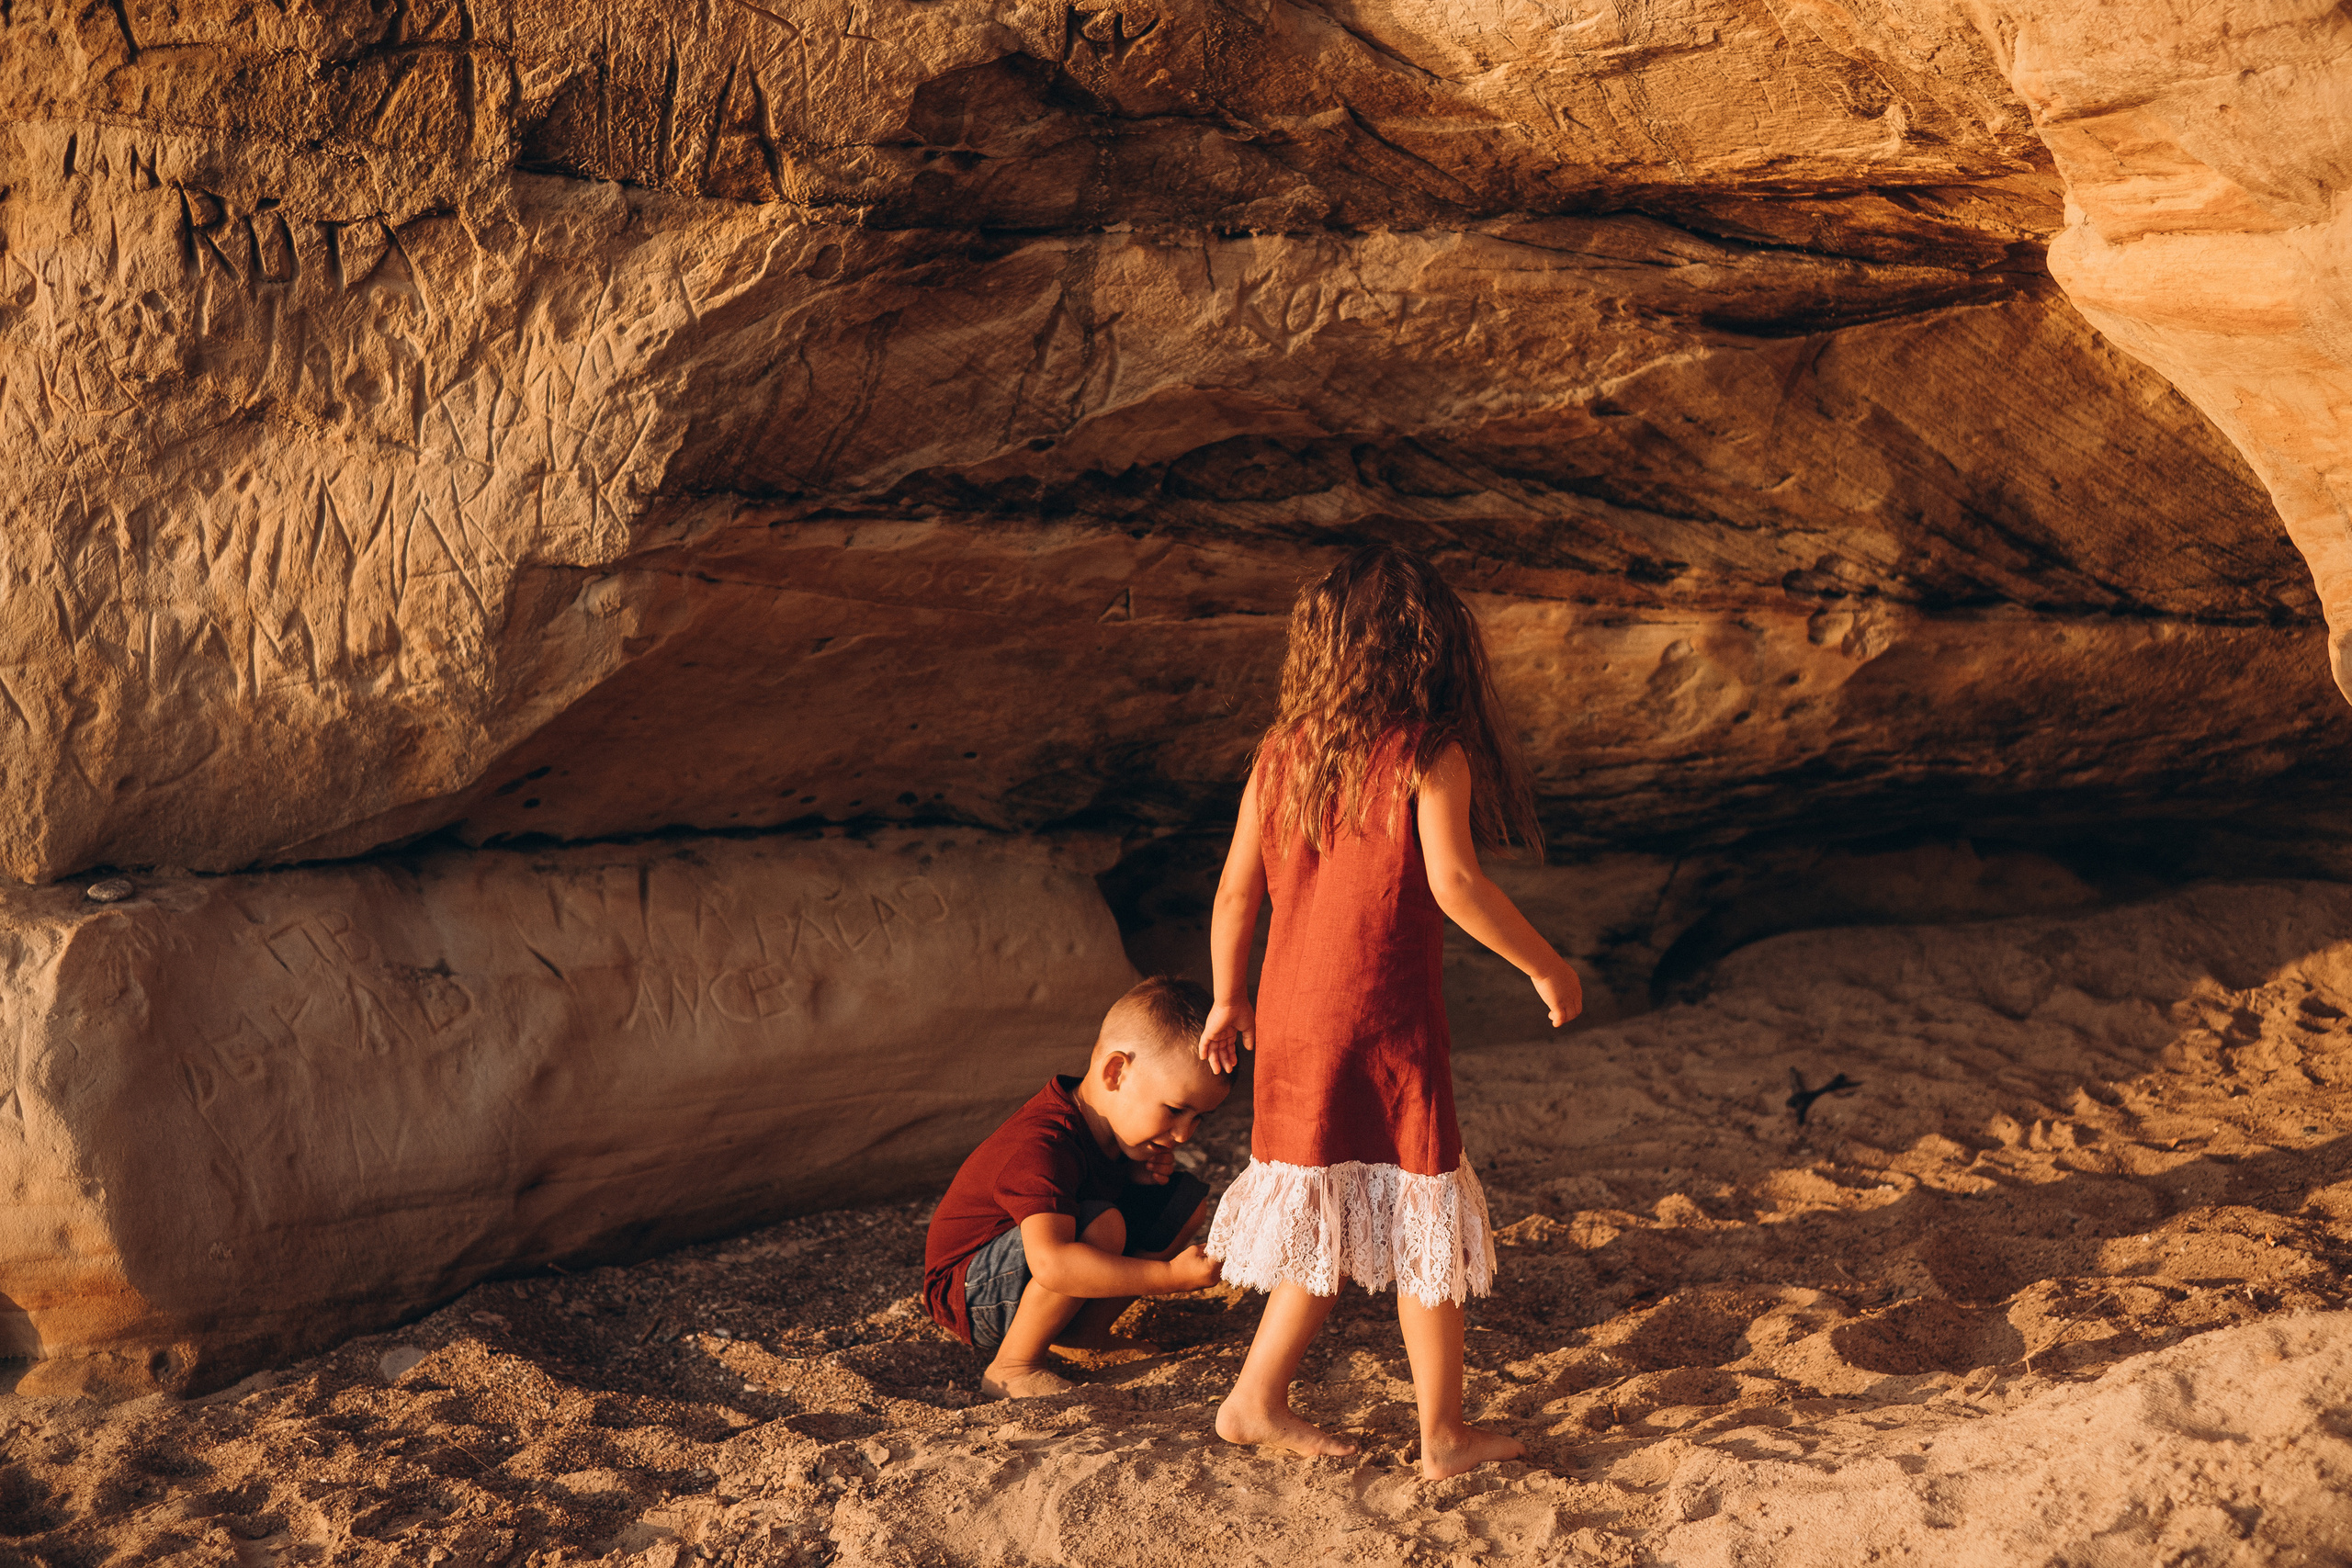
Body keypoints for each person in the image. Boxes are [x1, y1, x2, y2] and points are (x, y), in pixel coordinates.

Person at [1197, 543, 1582, 1480]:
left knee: (1324, 1202)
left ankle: (1255, 1396)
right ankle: (1442, 1433)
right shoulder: (1425, 754)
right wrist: (1545, 965)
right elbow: (1453, 882)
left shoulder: (1281, 755)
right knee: (1424, 1217)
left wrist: (1226, 998)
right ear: (1427, 649)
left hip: (1292, 1018)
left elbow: (1236, 895)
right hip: (1380, 1022)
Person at [923, 976, 1230, 1399]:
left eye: (1198, 1118)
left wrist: (1136, 1177)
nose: (1184, 1134)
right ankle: (1014, 1365)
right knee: (1103, 1224)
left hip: (1027, 1277)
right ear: (1116, 1072)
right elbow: (1051, 1263)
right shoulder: (1042, 1143)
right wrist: (1168, 1277)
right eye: (1175, 1110)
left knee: (1179, 1202)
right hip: (969, 1294)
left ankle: (1086, 1334)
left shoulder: (1109, 1131)